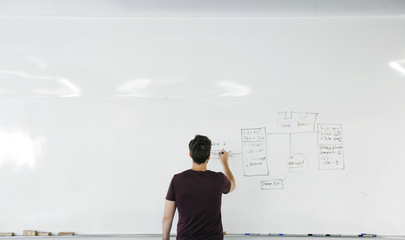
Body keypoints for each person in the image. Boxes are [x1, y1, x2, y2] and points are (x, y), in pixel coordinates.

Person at [162, 135, 236, 240]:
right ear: (209, 156)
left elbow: (167, 217)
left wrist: (165, 239)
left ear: (190, 155)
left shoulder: (177, 180)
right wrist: (225, 163)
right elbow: (232, 185)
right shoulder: (218, 179)